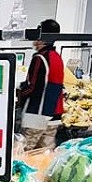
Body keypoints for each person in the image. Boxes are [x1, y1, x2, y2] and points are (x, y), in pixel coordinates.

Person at [17, 19, 65, 150]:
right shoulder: (57, 57)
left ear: (41, 36)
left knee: (24, 151)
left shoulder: (40, 58)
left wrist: (18, 93)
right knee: (44, 154)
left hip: (37, 114)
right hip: (54, 114)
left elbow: (32, 87)